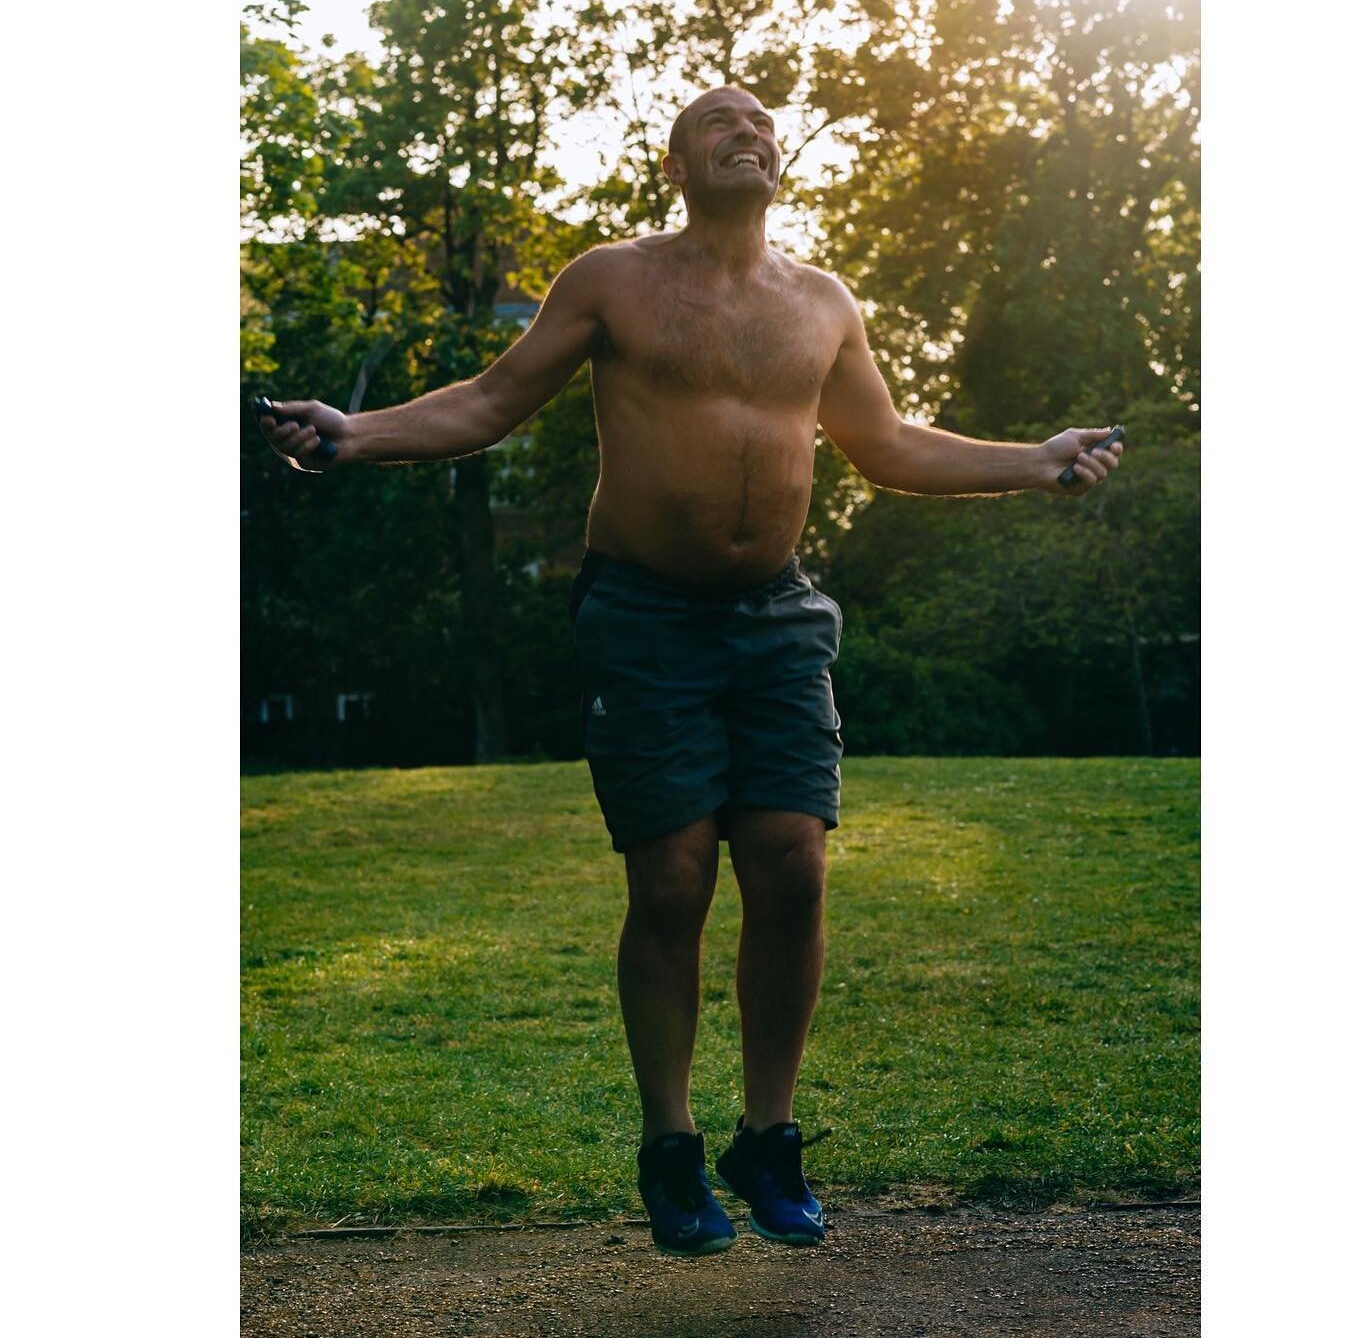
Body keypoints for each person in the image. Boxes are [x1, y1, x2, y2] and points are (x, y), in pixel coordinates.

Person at [256, 85, 1123, 1259]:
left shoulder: (822, 303)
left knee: (792, 866)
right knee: (670, 879)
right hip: (644, 616)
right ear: (677, 161)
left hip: (777, 616)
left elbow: (888, 446)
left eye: (763, 122)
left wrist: (1037, 460)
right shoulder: (611, 280)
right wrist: (355, 435)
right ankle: (670, 1147)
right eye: (721, 120)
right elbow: (494, 401)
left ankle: (768, 1141)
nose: (747, 131)